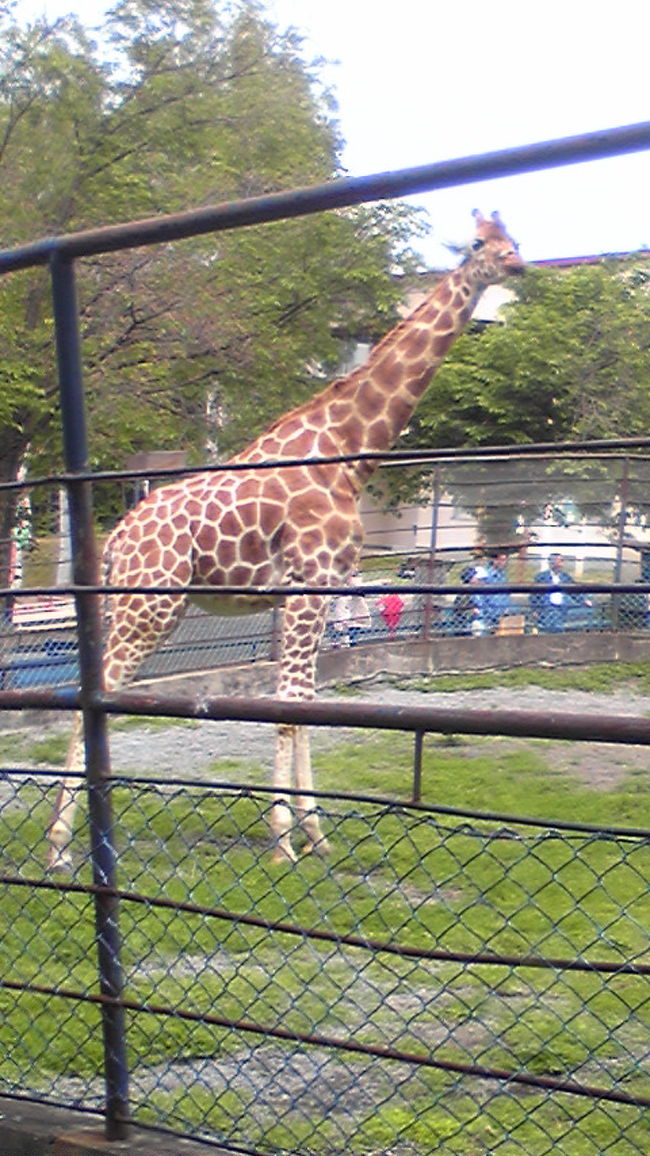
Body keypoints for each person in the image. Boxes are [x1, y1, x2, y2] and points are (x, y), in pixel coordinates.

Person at [530, 553, 592, 633]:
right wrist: (535, 609)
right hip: (547, 606)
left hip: (562, 606)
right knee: (552, 618)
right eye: (560, 561)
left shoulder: (565, 576)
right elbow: (535, 595)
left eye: (562, 561)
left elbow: (574, 591)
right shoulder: (541, 577)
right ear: (551, 562)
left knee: (558, 620)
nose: (562, 563)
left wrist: (584, 600)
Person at [482, 552, 514, 633]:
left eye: (505, 560)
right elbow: (484, 598)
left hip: (504, 612)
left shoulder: (503, 575)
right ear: (494, 560)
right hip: (490, 614)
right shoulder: (486, 575)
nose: (504, 563)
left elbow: (506, 595)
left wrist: (508, 608)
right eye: (501, 560)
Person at [452, 565, 487, 635]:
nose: (477, 578)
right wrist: (472, 611)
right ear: (470, 579)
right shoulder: (465, 594)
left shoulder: (474, 592)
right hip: (465, 626)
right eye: (474, 576)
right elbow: (462, 613)